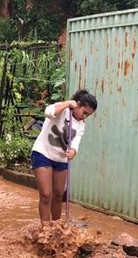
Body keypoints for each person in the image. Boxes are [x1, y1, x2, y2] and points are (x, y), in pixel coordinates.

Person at [31, 89, 97, 224]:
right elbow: (48, 112)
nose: (84, 117)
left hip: (61, 160)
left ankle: (56, 227)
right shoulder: (62, 110)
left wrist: (73, 151)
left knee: (59, 195)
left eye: (88, 115)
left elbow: (75, 144)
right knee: (46, 194)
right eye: (84, 112)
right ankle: (45, 229)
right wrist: (67, 103)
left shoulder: (81, 125)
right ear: (77, 105)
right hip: (43, 153)